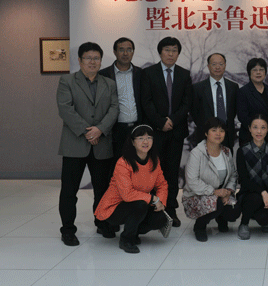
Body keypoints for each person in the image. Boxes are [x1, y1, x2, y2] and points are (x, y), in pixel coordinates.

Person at [56, 42, 118, 246]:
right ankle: (67, 230)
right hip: (75, 144)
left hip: (102, 144)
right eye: (88, 58)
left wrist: (100, 129)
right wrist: (87, 131)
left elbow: (114, 109)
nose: (92, 62)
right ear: (80, 60)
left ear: (101, 61)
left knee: (102, 189)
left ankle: (102, 222)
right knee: (69, 191)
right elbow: (65, 109)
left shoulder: (109, 83)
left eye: (96, 58)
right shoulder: (67, 81)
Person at [141, 36, 193, 228]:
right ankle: (154, 209)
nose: (171, 54)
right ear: (160, 52)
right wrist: (161, 122)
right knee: (153, 172)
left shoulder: (184, 74)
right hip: (155, 132)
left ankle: (170, 209)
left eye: (174, 50)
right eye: (167, 50)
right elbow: (146, 101)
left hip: (176, 132)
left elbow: (187, 103)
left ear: (178, 53)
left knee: (171, 173)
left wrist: (172, 120)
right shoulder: (148, 73)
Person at [94, 124, 170, 253]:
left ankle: (134, 232)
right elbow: (127, 194)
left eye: (149, 138)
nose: (145, 142)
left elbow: (162, 185)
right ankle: (126, 239)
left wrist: (161, 201)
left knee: (160, 218)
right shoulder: (123, 163)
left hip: (138, 204)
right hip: (115, 208)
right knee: (140, 205)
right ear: (133, 142)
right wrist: (153, 199)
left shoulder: (154, 161)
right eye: (141, 138)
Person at [183, 117, 241, 242]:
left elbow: (233, 175)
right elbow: (192, 181)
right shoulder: (197, 153)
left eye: (221, 131)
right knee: (216, 203)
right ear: (206, 133)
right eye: (214, 130)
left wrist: (228, 191)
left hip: (220, 194)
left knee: (234, 210)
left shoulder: (226, 151)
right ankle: (200, 226)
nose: (218, 134)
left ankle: (221, 218)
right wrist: (214, 192)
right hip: (197, 195)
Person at [99, 37, 142, 164]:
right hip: (114, 131)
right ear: (114, 52)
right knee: (115, 167)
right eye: (121, 50)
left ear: (133, 52)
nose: (125, 53)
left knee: (137, 167)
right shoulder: (103, 75)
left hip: (137, 129)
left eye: (129, 50)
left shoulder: (141, 73)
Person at [236, 114, 268, 239]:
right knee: (255, 198)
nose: (259, 131)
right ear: (249, 128)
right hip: (248, 195)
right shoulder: (242, 151)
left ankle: (262, 218)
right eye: (255, 127)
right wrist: (263, 192)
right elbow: (243, 180)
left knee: (264, 219)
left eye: (263, 128)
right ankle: (244, 223)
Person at [191, 53, 239, 148]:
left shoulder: (233, 87)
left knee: (226, 157)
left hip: (227, 135)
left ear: (225, 66)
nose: (217, 67)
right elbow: (194, 113)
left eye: (221, 64)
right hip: (205, 135)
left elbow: (233, 111)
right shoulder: (197, 88)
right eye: (214, 64)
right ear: (208, 66)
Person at [237, 58, 268, 146]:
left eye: (261, 70)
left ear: (265, 72)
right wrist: (258, 130)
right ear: (249, 73)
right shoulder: (243, 92)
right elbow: (242, 116)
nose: (258, 73)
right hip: (249, 137)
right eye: (254, 70)